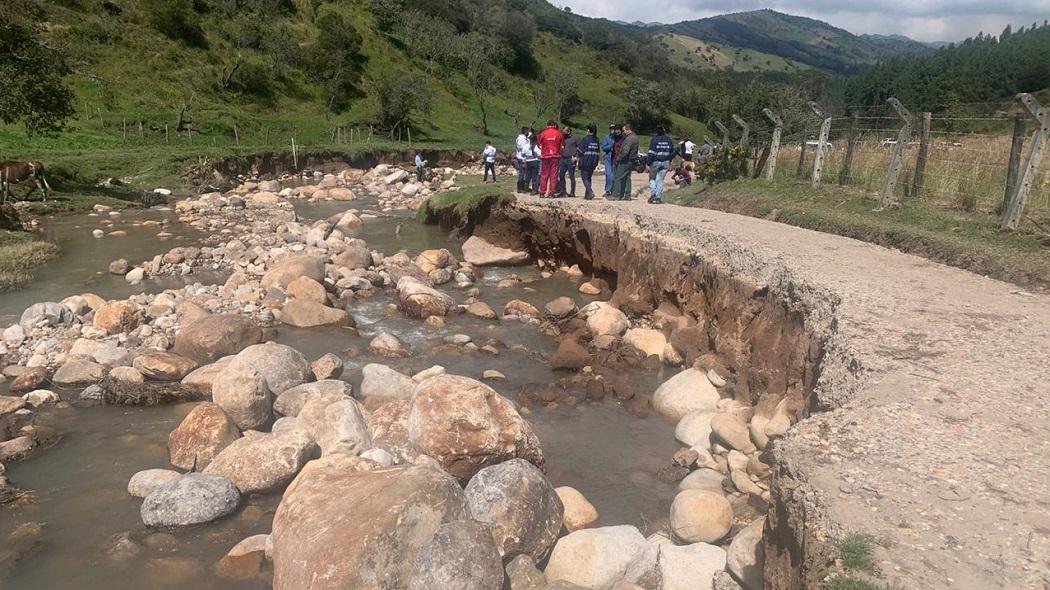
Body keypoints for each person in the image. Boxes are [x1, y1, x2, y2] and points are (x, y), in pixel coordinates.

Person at [647, 125, 675, 204]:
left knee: (652, 179)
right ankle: (658, 197)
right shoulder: (669, 140)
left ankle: (653, 195)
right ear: (664, 131)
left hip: (655, 161)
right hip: (666, 162)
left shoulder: (654, 139)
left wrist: (648, 163)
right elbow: (672, 152)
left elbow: (651, 152)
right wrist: (670, 161)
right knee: (660, 180)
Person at [537, 121, 564, 198]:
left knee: (544, 175)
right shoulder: (559, 133)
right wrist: (559, 151)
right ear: (554, 125)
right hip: (555, 156)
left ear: (547, 125)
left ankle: (542, 192)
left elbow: (538, 145)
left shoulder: (543, 133)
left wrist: (543, 150)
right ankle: (552, 192)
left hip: (545, 156)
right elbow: (563, 145)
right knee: (554, 175)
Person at [612, 124, 638, 200]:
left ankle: (616, 195)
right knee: (626, 178)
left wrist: (619, 158)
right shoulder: (635, 137)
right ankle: (627, 195)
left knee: (618, 177)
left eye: (624, 130)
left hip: (625, 161)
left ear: (628, 129)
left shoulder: (629, 139)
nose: (623, 132)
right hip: (632, 160)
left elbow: (625, 151)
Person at [577, 123, 601, 200]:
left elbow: (580, 150)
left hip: (585, 160)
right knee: (589, 177)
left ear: (588, 130)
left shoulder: (585, 139)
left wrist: (577, 157)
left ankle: (590, 192)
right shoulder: (596, 140)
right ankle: (587, 195)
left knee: (584, 178)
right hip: (594, 160)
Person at [557, 127, 579, 197]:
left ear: (569, 131)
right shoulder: (562, 138)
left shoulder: (575, 138)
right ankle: (563, 191)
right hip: (562, 158)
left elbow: (580, 148)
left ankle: (572, 192)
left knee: (571, 176)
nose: (563, 133)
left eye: (565, 132)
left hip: (571, 159)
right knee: (561, 175)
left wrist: (576, 157)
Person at [601, 124, 618, 197]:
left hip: (615, 158)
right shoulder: (607, 137)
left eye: (614, 129)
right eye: (611, 129)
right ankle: (608, 190)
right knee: (608, 174)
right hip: (608, 158)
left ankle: (613, 190)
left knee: (614, 175)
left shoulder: (618, 138)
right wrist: (611, 146)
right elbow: (603, 147)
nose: (612, 130)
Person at [515, 127, 530, 192]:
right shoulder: (522, 139)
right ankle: (520, 188)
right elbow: (524, 148)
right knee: (522, 173)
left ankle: (523, 187)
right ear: (525, 131)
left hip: (520, 156)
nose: (528, 133)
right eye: (528, 131)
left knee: (523, 172)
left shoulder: (520, 138)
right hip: (522, 157)